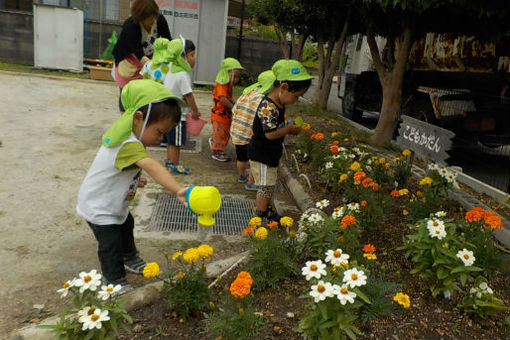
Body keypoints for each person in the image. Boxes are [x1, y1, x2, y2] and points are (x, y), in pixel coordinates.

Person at [76, 79, 187, 293]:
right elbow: (152, 166)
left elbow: (124, 167)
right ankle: (114, 279)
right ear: (138, 118)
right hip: (100, 207)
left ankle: (130, 257)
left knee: (126, 225)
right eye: (159, 132)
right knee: (110, 244)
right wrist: (178, 190)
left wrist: (136, 178)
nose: (161, 138)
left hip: (111, 203)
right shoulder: (127, 143)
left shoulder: (129, 138)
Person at [248, 59, 313, 222]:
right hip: (261, 154)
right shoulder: (268, 106)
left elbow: (276, 126)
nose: (297, 100)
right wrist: (288, 130)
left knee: (269, 184)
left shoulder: (278, 104)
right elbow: (270, 134)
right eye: (296, 96)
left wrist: (288, 125)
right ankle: (260, 216)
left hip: (270, 153)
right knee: (266, 186)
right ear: (283, 87)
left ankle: (266, 209)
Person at [140, 37, 201, 174]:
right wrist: (195, 111)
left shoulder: (171, 69)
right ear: (182, 56)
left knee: (170, 141)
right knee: (176, 142)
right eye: (192, 55)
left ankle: (168, 160)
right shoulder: (182, 74)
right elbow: (188, 95)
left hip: (168, 112)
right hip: (178, 115)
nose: (194, 58)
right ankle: (174, 163)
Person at [112, 0, 171, 112]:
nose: (152, 20)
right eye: (149, 18)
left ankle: (142, 115)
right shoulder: (130, 25)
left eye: (154, 16)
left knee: (146, 91)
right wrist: (153, 68)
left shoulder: (159, 19)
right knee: (126, 90)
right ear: (140, 17)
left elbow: (168, 38)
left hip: (149, 58)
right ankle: (125, 115)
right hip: (129, 60)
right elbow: (138, 53)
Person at [230, 70, 274, 191]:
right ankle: (251, 182)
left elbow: (234, 110)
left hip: (237, 132)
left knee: (241, 158)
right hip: (250, 135)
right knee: (253, 159)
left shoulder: (246, 93)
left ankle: (241, 176)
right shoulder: (263, 99)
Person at [209, 57, 244, 162]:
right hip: (219, 115)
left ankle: (215, 142)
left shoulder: (228, 85)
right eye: (235, 77)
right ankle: (217, 151)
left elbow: (228, 97)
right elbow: (223, 99)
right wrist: (232, 107)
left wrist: (234, 103)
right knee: (221, 133)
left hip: (225, 115)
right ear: (227, 73)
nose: (237, 79)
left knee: (224, 133)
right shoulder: (222, 85)